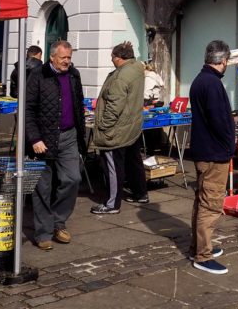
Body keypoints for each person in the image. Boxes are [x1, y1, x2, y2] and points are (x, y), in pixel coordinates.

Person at [25, 40, 87, 250]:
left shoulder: (73, 74)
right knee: (42, 187)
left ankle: (58, 221)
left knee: (73, 178)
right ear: (52, 57)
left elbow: (78, 102)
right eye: (63, 58)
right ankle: (43, 233)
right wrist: (34, 138)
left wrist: (81, 132)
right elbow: (27, 109)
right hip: (42, 139)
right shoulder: (37, 76)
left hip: (68, 136)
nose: (67, 62)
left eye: (69, 58)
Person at [188, 39, 235, 275]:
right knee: (211, 204)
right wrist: (230, 145)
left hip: (203, 150)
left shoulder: (199, 80)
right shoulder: (212, 84)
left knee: (202, 200)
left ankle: (198, 246)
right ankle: (202, 255)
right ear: (223, 61)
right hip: (213, 154)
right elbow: (219, 121)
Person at [91, 41, 148, 214]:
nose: (111, 60)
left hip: (117, 128)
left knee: (113, 166)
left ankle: (111, 204)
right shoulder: (137, 70)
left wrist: (103, 126)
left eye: (112, 57)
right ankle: (140, 193)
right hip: (132, 125)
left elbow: (114, 106)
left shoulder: (120, 76)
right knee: (134, 161)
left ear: (119, 58)